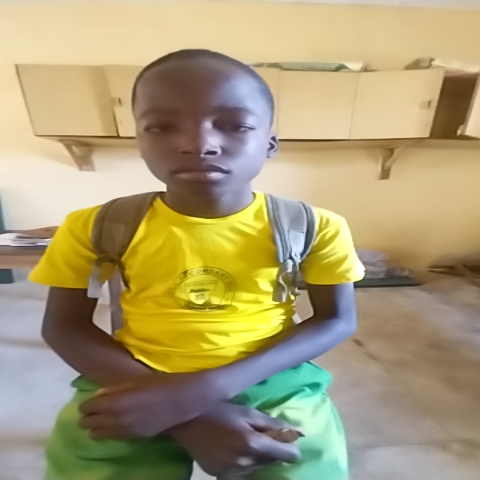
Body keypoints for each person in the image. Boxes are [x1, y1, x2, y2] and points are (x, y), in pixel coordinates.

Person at [30, 49, 364, 480]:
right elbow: (64, 327)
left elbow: (336, 319)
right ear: (140, 141)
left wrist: (199, 393)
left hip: (270, 378)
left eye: (235, 125)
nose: (198, 144)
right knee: (88, 457)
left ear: (270, 143)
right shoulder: (95, 226)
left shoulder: (314, 226)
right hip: (132, 376)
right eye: (162, 127)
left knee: (304, 461)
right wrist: (185, 412)